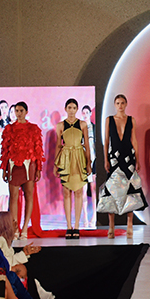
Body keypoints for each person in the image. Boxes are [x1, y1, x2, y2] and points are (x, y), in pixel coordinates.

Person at [97, 95, 148, 239]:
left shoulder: (131, 120)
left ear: (126, 104)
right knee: (112, 189)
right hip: (113, 158)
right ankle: (111, 226)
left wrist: (138, 159)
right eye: (118, 103)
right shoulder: (109, 120)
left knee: (130, 189)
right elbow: (106, 141)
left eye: (122, 103)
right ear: (115, 104)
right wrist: (105, 159)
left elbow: (134, 140)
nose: (120, 105)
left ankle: (129, 224)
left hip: (128, 157)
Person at [0, 102, 45, 240]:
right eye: (17, 111)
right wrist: (4, 168)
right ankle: (14, 228)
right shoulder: (9, 129)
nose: (18, 113)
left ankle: (25, 228)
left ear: (26, 112)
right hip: (13, 166)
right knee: (13, 197)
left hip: (29, 165)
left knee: (29, 196)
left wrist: (38, 168)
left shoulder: (33, 128)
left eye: (21, 110)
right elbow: (5, 150)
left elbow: (38, 150)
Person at [54, 99, 92, 239]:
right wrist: (55, 164)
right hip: (66, 158)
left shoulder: (82, 124)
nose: (71, 110)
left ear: (77, 109)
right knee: (66, 192)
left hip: (79, 157)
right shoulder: (60, 125)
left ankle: (77, 226)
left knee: (79, 192)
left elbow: (86, 144)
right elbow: (58, 145)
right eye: (69, 107)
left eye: (74, 108)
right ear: (65, 109)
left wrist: (88, 163)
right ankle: (68, 226)